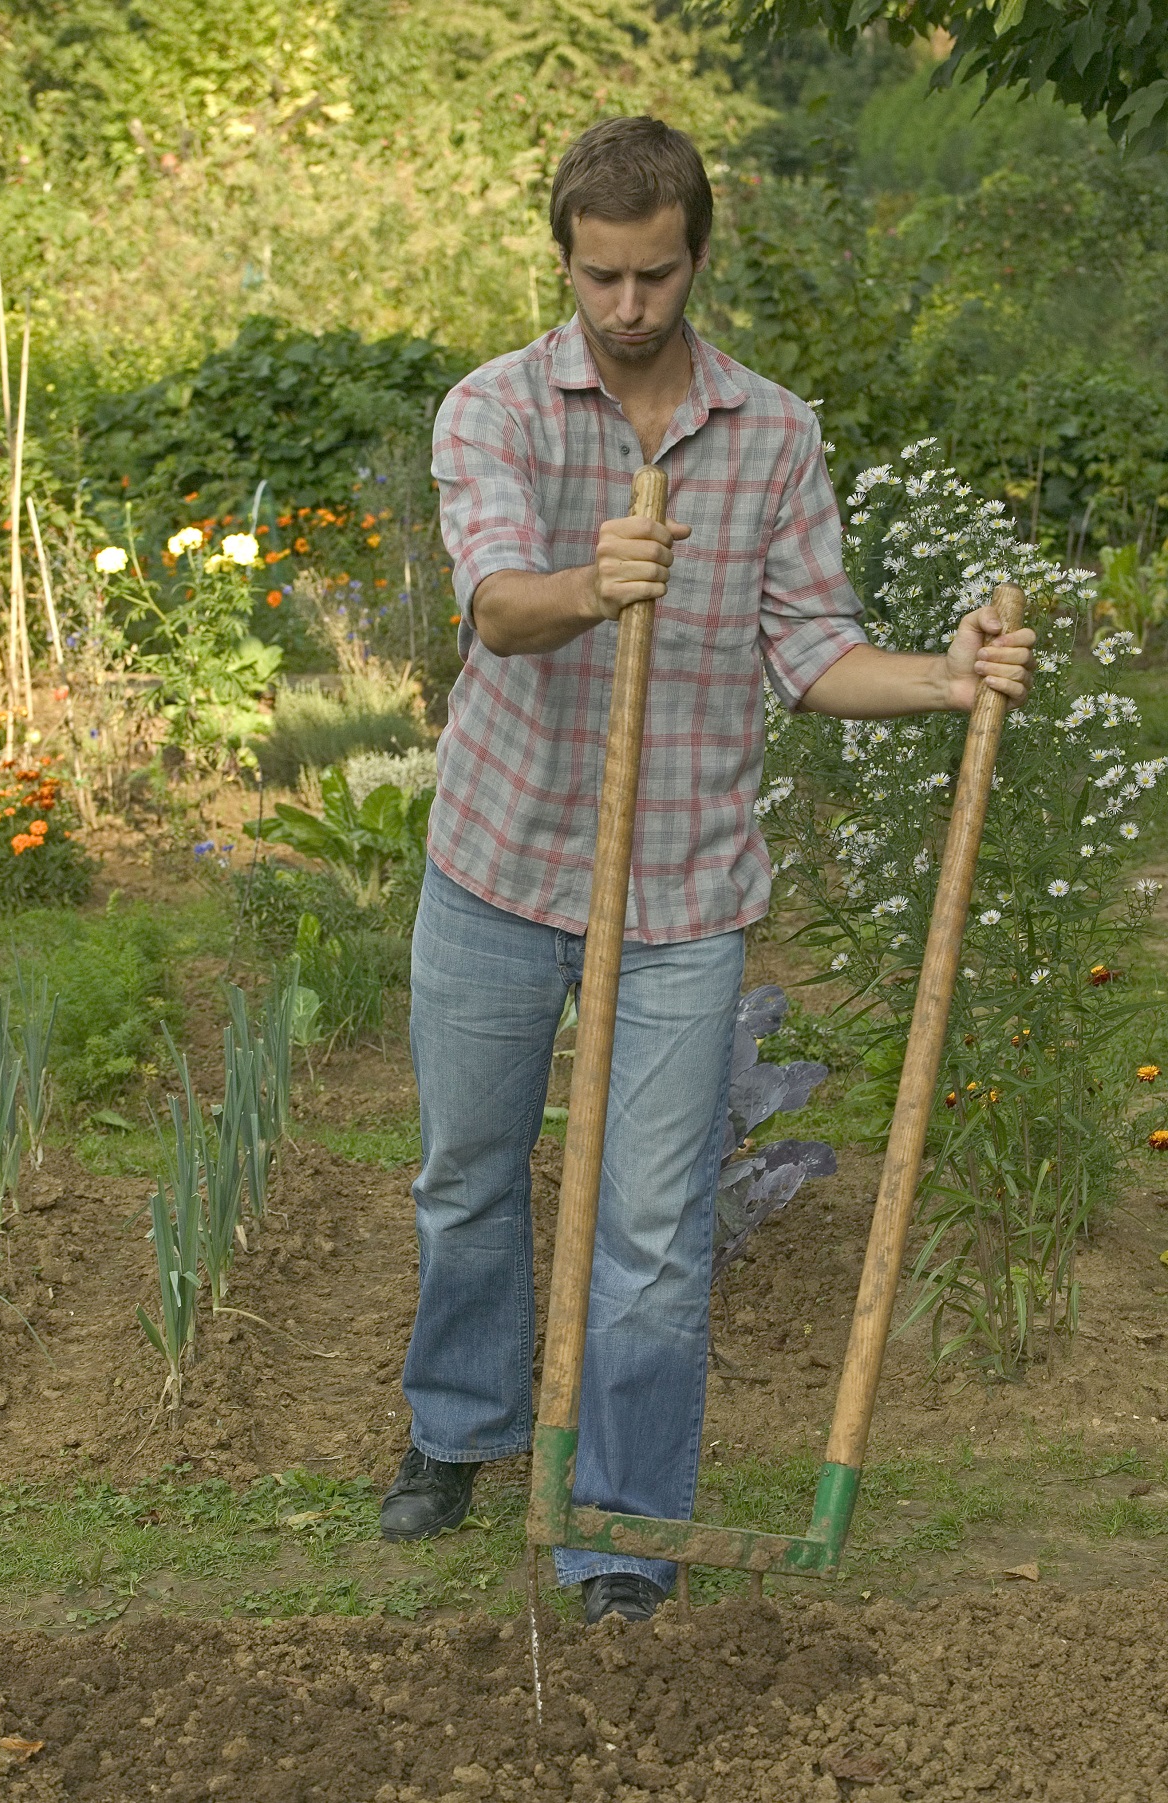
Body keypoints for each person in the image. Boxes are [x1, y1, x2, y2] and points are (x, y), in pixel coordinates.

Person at [379, 115, 1034, 1624]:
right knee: (467, 1178)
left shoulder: (773, 434)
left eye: (655, 275)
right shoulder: (492, 411)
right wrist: (586, 580)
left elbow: (811, 651)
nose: (628, 307)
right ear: (563, 261)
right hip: (496, 870)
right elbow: (492, 608)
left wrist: (945, 681)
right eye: (601, 276)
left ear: (696, 257)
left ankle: (617, 1527)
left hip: (680, 893)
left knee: (655, 1230)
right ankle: (459, 1431)